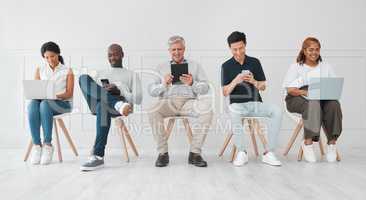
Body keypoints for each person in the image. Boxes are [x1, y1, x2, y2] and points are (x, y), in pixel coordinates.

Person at [148, 35, 213, 167]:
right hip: (168, 101)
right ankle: (163, 154)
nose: (176, 52)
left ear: (184, 49)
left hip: (188, 102)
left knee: (207, 111)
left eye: (179, 49)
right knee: (152, 109)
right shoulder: (161, 67)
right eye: (173, 50)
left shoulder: (195, 66)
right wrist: (164, 84)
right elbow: (151, 91)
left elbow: (206, 87)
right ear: (169, 51)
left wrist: (192, 83)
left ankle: (195, 153)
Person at [221, 31, 282, 167]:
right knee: (234, 111)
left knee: (276, 111)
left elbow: (263, 87)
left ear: (245, 45)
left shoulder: (254, 62)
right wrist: (236, 81)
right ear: (230, 48)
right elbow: (225, 92)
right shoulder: (226, 66)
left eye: (241, 48)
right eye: (234, 49)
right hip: (237, 105)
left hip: (255, 104)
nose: (238, 52)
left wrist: (254, 81)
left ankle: (269, 153)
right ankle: (242, 152)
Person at [79, 44, 142, 171]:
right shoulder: (100, 73)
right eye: (110, 55)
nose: (112, 57)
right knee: (83, 78)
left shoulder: (131, 74)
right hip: (103, 103)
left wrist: (120, 90)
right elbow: (93, 91)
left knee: (103, 105)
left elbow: (138, 99)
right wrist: (104, 91)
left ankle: (97, 156)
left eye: (116, 54)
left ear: (122, 55)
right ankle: (117, 104)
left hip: (117, 105)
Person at [283, 37, 342, 163]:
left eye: (316, 49)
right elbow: (290, 89)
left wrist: (323, 92)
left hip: (321, 97)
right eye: (310, 49)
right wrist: (306, 92)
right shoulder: (296, 67)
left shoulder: (326, 67)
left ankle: (332, 143)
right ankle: (308, 143)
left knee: (334, 105)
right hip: (296, 98)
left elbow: (333, 87)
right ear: (304, 51)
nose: (314, 52)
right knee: (312, 104)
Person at [28, 41, 74, 165]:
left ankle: (48, 145)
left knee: (45, 104)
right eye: (47, 57)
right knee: (33, 104)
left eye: (52, 56)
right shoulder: (40, 69)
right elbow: (36, 89)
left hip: (62, 104)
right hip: (45, 103)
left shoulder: (67, 70)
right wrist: (41, 96)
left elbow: (69, 93)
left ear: (58, 54)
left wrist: (54, 95)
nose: (50, 59)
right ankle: (37, 146)